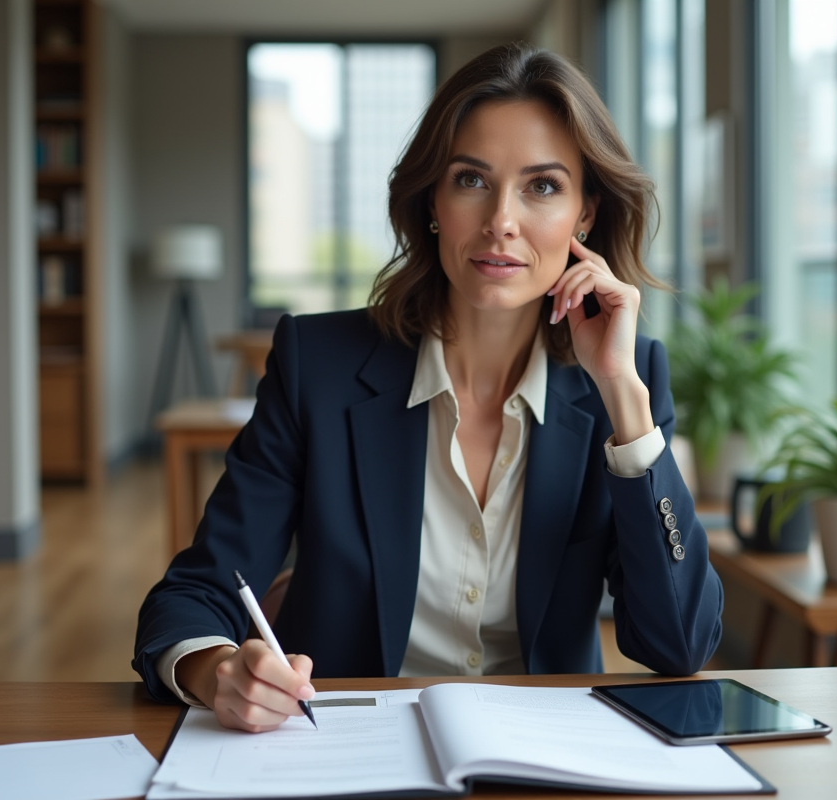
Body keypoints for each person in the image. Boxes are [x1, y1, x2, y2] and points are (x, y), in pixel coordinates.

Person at [133, 42, 723, 733]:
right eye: (472, 179)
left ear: (585, 214)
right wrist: (218, 671)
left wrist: (622, 395)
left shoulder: (627, 381)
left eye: (542, 186)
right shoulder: (316, 365)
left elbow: (678, 646)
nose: (502, 220)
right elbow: (195, 593)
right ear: (434, 201)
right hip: (342, 744)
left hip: (540, 754)